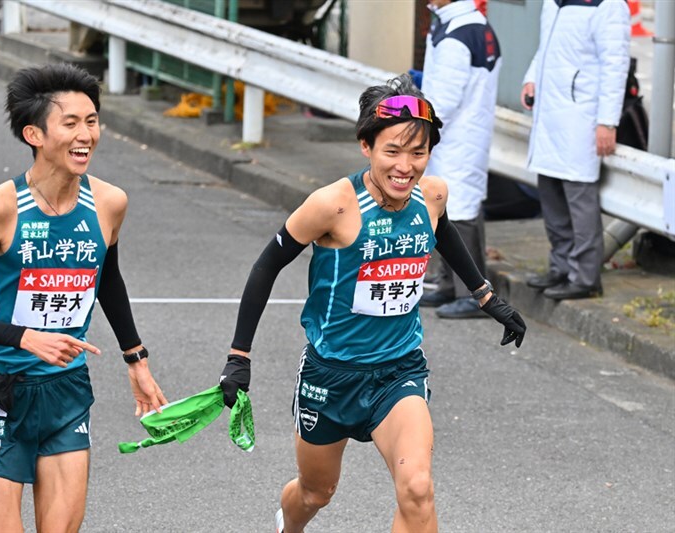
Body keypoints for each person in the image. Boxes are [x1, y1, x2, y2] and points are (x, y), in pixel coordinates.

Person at [218, 73, 527, 533]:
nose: (406, 166)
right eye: (393, 151)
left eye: (418, 153)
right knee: (315, 492)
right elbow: (266, 266)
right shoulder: (333, 205)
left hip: (398, 370)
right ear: (366, 146)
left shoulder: (432, 194)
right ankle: (288, 525)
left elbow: (442, 232)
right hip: (331, 374)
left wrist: (485, 295)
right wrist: (238, 357)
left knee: (417, 489)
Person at [0, 63, 167, 533]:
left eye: (92, 120)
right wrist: (25, 338)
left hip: (65, 388)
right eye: (71, 123)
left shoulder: (109, 202)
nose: (86, 135)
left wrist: (136, 359)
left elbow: (107, 279)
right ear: (34, 133)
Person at [520, 0, 630, 300]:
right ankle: (561, 267)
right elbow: (546, 48)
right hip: (550, 113)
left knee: (579, 197)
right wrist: (531, 78)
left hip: (582, 115)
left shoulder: (607, 6)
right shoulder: (553, 3)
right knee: (551, 191)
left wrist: (607, 121)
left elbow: (615, 65)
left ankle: (585, 277)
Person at [418, 0, 502, 318]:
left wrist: (420, 131)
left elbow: (444, 100)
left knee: (460, 208)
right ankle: (449, 285)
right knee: (450, 205)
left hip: (456, 135)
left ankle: (474, 294)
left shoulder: (459, 32)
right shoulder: (467, 24)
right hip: (463, 133)